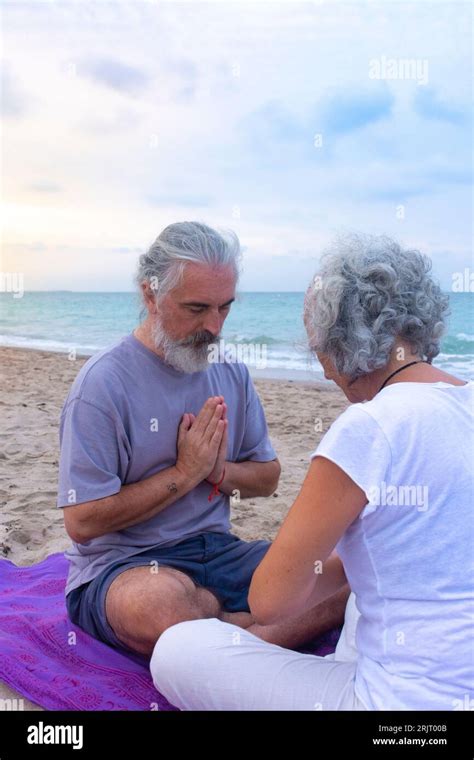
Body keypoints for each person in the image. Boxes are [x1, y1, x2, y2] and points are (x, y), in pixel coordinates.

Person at [150, 233, 473, 710]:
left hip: (401, 710)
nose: (323, 371)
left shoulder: (369, 427)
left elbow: (271, 602)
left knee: (176, 651)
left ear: (343, 341)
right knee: (370, 590)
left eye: (318, 346)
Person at [58, 221, 350, 657]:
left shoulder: (230, 372)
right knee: (161, 607)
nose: (214, 327)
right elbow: (81, 522)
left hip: (220, 553)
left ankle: (231, 639)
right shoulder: (102, 385)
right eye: (196, 309)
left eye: (224, 308)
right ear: (150, 294)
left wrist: (218, 472)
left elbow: (267, 478)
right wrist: (183, 474)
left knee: (349, 576)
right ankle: (248, 632)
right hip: (126, 566)